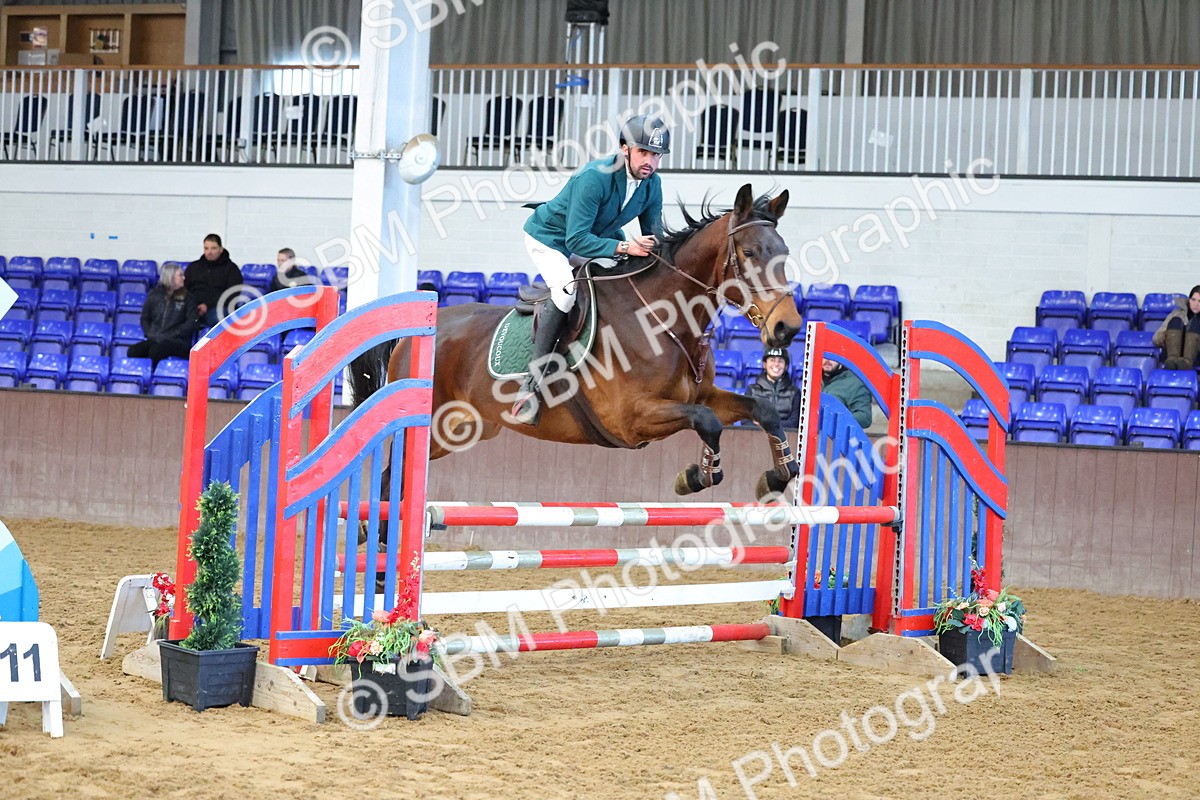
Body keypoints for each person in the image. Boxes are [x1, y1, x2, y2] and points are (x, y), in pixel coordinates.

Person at [511, 114, 670, 425]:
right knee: (567, 292)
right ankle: (530, 387)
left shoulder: (653, 184)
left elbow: (655, 237)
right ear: (625, 149)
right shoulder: (594, 177)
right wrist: (625, 247)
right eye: (643, 152)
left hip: (598, 236)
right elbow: (577, 240)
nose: (650, 161)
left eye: (656, 155)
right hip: (551, 238)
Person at [128, 262, 202, 366]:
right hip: (156, 339)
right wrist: (149, 333)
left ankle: (152, 379)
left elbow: (193, 322)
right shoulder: (154, 296)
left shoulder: (188, 298)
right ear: (171, 277)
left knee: (156, 351)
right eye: (180, 275)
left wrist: (175, 333)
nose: (184, 278)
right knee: (133, 350)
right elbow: (145, 318)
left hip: (178, 342)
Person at [185, 233, 243, 326]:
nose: (209, 252)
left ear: (221, 249)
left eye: (213, 248)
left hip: (218, 308)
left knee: (217, 318)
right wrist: (194, 305)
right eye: (206, 248)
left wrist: (206, 305)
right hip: (194, 307)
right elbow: (185, 290)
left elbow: (231, 294)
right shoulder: (194, 267)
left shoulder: (231, 269)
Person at [745, 347, 801, 428]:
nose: (776, 364)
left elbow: (794, 422)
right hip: (755, 438)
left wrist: (767, 424)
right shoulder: (751, 390)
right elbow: (745, 421)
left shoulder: (795, 392)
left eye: (780, 361)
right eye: (772, 360)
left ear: (786, 366)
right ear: (764, 364)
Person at [1153, 286, 1200, 370]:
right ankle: (1172, 359)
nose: (1196, 304)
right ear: (1189, 300)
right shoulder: (1177, 313)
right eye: (1193, 300)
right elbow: (1157, 339)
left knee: (1195, 324)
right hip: (1171, 355)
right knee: (1176, 321)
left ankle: (1186, 362)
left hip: (1196, 357)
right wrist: (1170, 336)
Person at [822, 356, 874, 428]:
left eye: (832, 355)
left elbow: (865, 418)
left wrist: (835, 419)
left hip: (837, 436)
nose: (827, 360)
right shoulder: (808, 378)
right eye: (824, 356)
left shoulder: (855, 383)